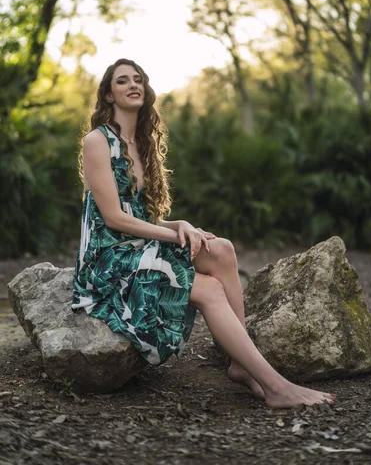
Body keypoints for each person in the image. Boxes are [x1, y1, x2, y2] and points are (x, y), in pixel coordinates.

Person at [71, 58, 335, 409]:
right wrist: (171, 235)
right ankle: (276, 386)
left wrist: (180, 226)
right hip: (108, 261)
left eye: (138, 79)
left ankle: (241, 364)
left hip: (136, 245)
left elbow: (143, 216)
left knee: (221, 248)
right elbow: (114, 219)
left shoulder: (142, 143)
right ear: (108, 94)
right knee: (209, 288)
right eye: (122, 81)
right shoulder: (97, 141)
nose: (133, 85)